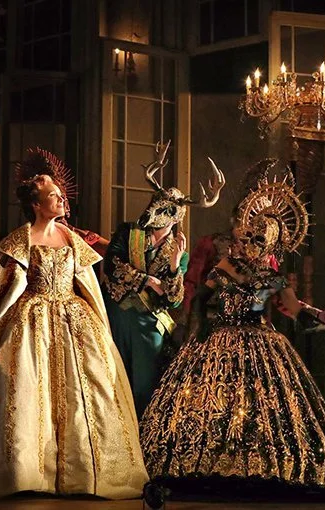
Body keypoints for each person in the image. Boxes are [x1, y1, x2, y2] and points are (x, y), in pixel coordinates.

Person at [0, 173, 149, 499]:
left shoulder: (71, 238)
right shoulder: (21, 240)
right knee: (26, 387)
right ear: (37, 204)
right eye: (53, 195)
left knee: (87, 390)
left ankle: (83, 473)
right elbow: (2, 289)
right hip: (31, 320)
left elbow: (88, 285)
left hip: (74, 321)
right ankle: (26, 472)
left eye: (61, 195)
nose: (61, 199)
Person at [140, 171, 325, 495]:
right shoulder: (226, 266)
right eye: (246, 239)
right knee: (216, 401)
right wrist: (197, 330)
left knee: (257, 405)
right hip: (219, 336)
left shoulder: (273, 278)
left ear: (270, 245)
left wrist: (318, 317)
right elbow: (200, 296)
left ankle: (256, 466)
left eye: (257, 241)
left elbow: (294, 310)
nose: (247, 245)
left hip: (260, 340)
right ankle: (210, 462)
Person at [102, 140, 225, 415]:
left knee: (145, 386)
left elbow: (173, 300)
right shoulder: (128, 233)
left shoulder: (178, 252)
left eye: (164, 210)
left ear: (175, 217)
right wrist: (149, 281)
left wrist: (173, 266)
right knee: (110, 382)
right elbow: (113, 266)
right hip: (115, 316)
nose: (152, 213)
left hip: (148, 325)